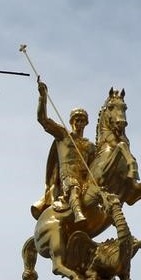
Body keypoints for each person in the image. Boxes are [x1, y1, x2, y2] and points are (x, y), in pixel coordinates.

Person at [31, 77, 95, 223]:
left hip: (84, 180)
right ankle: (78, 213)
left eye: (82, 120)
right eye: (76, 120)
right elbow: (43, 120)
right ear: (71, 122)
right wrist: (43, 97)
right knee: (74, 187)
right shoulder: (63, 135)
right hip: (67, 178)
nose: (79, 123)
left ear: (86, 123)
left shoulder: (90, 146)